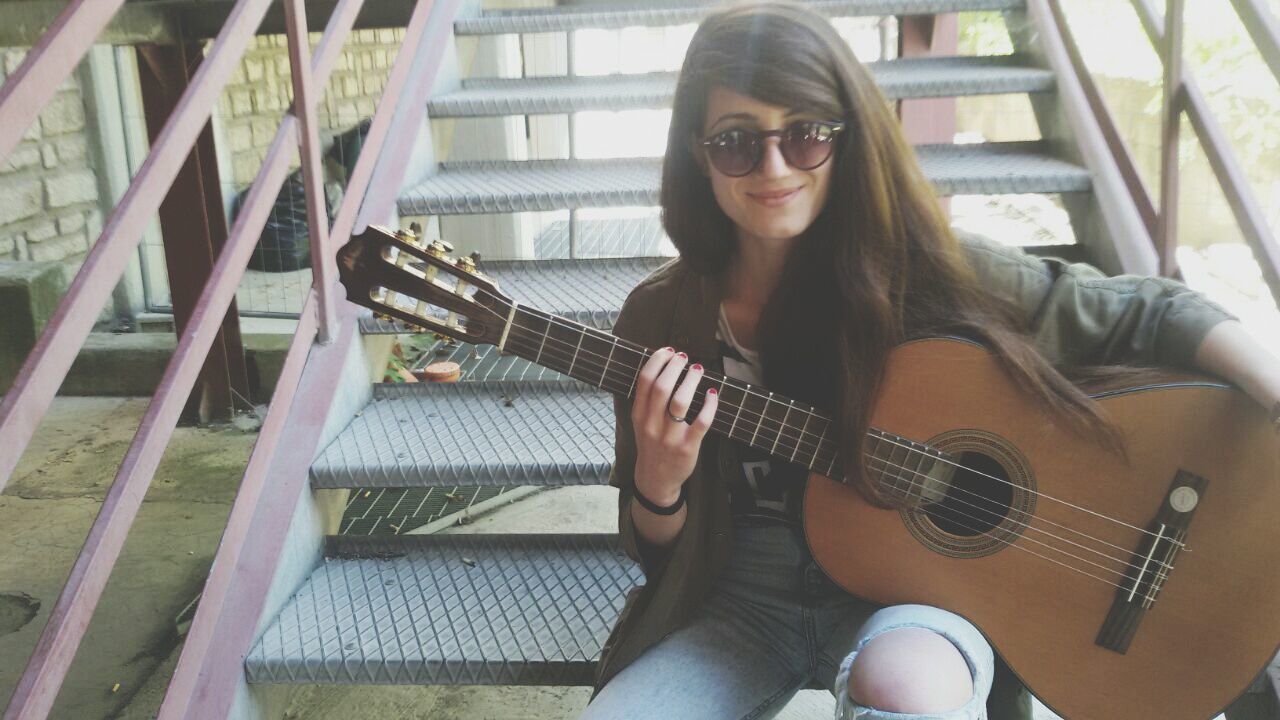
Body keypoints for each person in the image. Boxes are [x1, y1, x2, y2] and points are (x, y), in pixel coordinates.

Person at [578, 2, 1280, 719]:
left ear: (847, 139)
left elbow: (1148, 310)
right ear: (698, 154)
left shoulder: (927, 276)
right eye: (736, 143)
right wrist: (659, 484)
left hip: (916, 590)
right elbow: (656, 551)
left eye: (806, 134)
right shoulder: (660, 319)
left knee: (909, 692)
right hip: (741, 600)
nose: (774, 166)